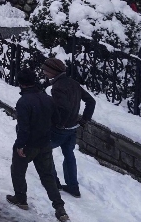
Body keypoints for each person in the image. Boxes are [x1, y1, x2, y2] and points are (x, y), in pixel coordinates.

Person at [8, 67, 69, 221]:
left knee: (18, 170)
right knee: (48, 176)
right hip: (45, 144)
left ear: (21, 84)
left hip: (28, 145)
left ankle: (21, 199)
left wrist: (20, 145)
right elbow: (57, 121)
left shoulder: (23, 102)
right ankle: (60, 209)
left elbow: (24, 128)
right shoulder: (47, 98)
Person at [42, 57, 95, 198]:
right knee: (69, 155)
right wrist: (84, 120)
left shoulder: (57, 88)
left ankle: (54, 182)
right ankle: (73, 187)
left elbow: (63, 109)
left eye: (45, 70)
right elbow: (91, 101)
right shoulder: (74, 83)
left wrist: (58, 123)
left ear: (53, 71)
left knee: (44, 150)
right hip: (73, 127)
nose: (44, 73)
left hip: (60, 129)